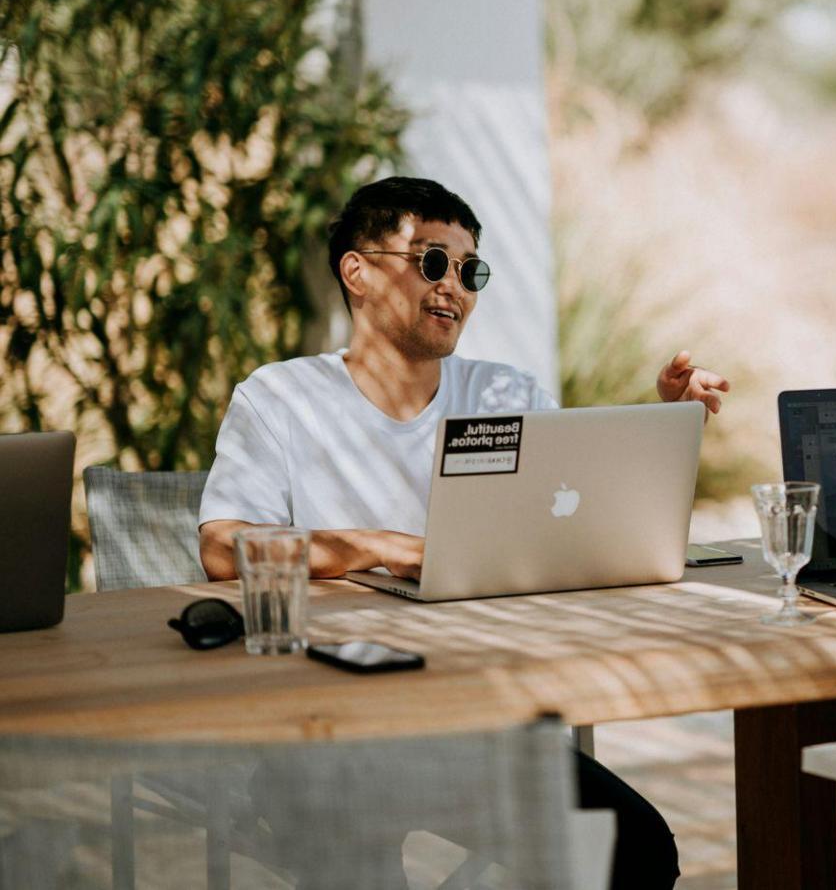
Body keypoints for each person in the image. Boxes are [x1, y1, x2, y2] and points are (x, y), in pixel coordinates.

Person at [198, 176, 717, 889]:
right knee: (357, 858)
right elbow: (222, 548)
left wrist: (661, 422)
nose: (454, 287)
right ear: (357, 271)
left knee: (638, 850)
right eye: (432, 261)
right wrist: (384, 548)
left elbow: (583, 517)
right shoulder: (280, 397)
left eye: (470, 271)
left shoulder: (504, 394)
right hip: (319, 734)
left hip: (475, 726)